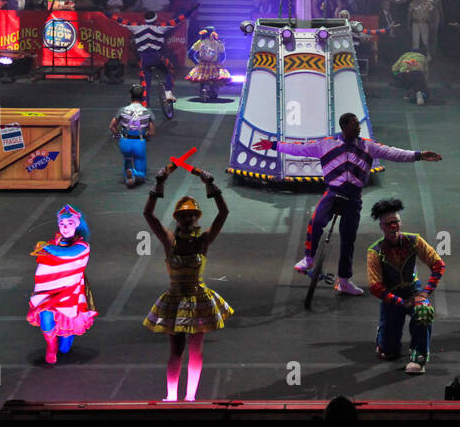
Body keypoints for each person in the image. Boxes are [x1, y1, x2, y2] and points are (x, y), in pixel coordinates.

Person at [253, 113, 442, 296]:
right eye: (354, 125)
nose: (358, 127)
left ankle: (344, 281)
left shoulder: (368, 146)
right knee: (316, 221)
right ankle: (309, 258)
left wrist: (419, 155)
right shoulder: (326, 144)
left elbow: (393, 153)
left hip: (353, 197)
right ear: (344, 127)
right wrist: (272, 145)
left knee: (348, 238)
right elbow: (299, 149)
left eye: (358, 125)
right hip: (333, 192)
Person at [143, 162, 233, 402]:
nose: (188, 218)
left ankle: (190, 397)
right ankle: (171, 397)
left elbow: (224, 213)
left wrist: (211, 184)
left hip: (197, 299)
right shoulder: (169, 241)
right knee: (176, 351)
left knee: (195, 352)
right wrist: (159, 183)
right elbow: (148, 215)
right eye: (183, 215)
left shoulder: (203, 241)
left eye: (192, 214)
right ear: (177, 218)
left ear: (197, 217)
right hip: (174, 299)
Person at [367, 198, 445, 374]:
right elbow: (375, 286)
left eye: (396, 222)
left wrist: (425, 292)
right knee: (389, 352)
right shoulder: (375, 251)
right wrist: (400, 303)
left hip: (412, 290)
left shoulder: (414, 241)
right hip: (391, 295)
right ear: (382, 226)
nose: (393, 227)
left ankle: (419, 356)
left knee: (424, 311)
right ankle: (383, 337)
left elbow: (438, 264)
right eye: (389, 224)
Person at [27, 206, 96, 364]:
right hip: (47, 291)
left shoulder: (82, 247)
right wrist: (41, 247)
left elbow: (64, 253)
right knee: (45, 315)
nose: (65, 227)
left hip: (69, 293)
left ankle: (63, 340)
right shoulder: (55, 242)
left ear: (76, 225)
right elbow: (48, 254)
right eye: (62, 224)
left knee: (65, 347)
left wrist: (47, 247)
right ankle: (50, 346)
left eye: (69, 223)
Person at [107, 6, 198, 108]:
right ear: (155, 19)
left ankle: (145, 104)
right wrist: (191, 9)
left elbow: (119, 20)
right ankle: (168, 93)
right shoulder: (161, 27)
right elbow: (178, 19)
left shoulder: (136, 27)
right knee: (169, 70)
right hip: (157, 57)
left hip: (144, 59)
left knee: (145, 83)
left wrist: (105, 13)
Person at [110, 84, 155, 187]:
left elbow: (112, 126)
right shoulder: (147, 112)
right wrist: (147, 136)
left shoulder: (122, 110)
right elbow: (152, 132)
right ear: (142, 97)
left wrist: (118, 136)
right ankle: (135, 174)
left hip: (125, 142)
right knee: (141, 168)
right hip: (139, 142)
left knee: (127, 160)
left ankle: (129, 177)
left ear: (131, 96)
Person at [185, 26, 230, 97]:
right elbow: (223, 56)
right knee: (214, 79)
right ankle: (213, 91)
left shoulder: (200, 42)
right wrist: (219, 63)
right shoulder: (218, 43)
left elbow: (190, 54)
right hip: (214, 65)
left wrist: (197, 63)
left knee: (203, 79)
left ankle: (203, 90)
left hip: (203, 65)